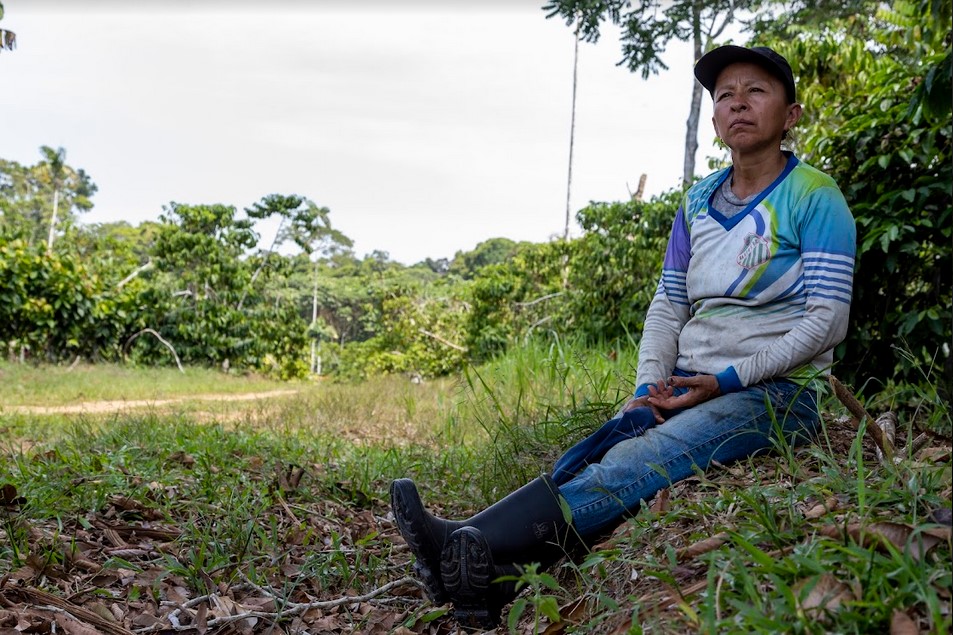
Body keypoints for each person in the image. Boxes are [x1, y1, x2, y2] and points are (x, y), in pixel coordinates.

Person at [391, 44, 856, 629]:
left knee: (640, 457)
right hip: (692, 384)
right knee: (590, 454)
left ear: (790, 115)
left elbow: (827, 321)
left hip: (779, 395)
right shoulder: (696, 203)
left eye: (756, 91)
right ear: (714, 119)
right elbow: (669, 305)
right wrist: (646, 385)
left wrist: (724, 381)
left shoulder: (815, 196)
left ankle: (469, 546)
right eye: (724, 96)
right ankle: (477, 571)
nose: (738, 104)